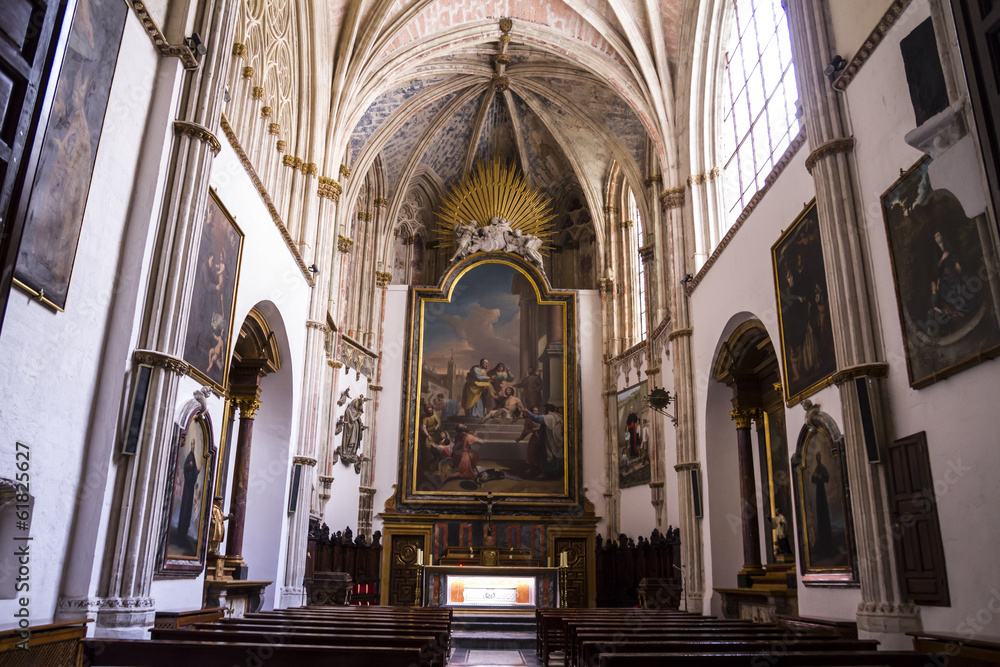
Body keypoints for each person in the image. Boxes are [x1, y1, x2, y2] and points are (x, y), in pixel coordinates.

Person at [523, 404, 564, 477]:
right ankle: (554, 471)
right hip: (556, 439)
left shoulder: (550, 417)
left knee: (548, 455)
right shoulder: (557, 416)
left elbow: (538, 419)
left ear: (548, 409)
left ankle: (547, 473)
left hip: (551, 439)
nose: (544, 410)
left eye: (545, 409)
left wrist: (528, 412)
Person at [176, 440, 200, 551]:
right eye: (192, 444)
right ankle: (181, 536)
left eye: (194, 444)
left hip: (189, 491)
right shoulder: (189, 457)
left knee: (188, 512)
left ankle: (184, 534)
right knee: (185, 511)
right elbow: (187, 470)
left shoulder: (192, 457)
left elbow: (193, 472)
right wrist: (190, 468)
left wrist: (196, 471)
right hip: (187, 490)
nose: (193, 446)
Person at [811, 451, 832, 557]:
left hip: (822, 491)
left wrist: (820, 476)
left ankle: (827, 540)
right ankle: (822, 538)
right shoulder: (816, 468)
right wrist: (815, 476)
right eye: (817, 456)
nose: (818, 458)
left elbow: (826, 478)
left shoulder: (822, 467)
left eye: (819, 456)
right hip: (818, 491)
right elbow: (812, 479)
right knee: (820, 512)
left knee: (824, 511)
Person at [516, 407, 543, 476]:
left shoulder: (540, 418)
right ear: (531, 412)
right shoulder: (528, 420)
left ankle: (542, 470)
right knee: (532, 452)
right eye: (534, 411)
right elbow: (526, 431)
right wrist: (521, 438)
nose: (536, 412)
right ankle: (532, 469)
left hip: (543, 437)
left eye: (537, 411)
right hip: (535, 438)